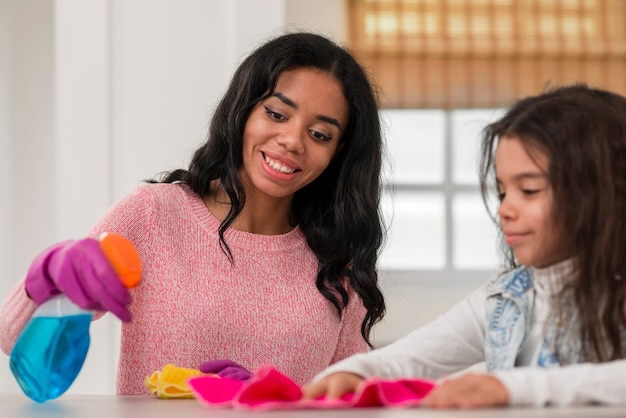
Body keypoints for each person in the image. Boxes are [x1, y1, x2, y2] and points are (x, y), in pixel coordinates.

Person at [0, 32, 386, 395]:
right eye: (277, 114)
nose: (291, 141)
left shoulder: (338, 256)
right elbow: (13, 340)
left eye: (320, 134)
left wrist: (270, 399)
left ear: (339, 154)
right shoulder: (153, 215)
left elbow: (347, 399)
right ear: (244, 109)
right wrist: (45, 279)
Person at [303, 84, 626, 408]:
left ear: (602, 195)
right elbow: (407, 359)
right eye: (502, 192)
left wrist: (512, 388)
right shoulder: (504, 298)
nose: (505, 210)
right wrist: (356, 372)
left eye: (529, 190)